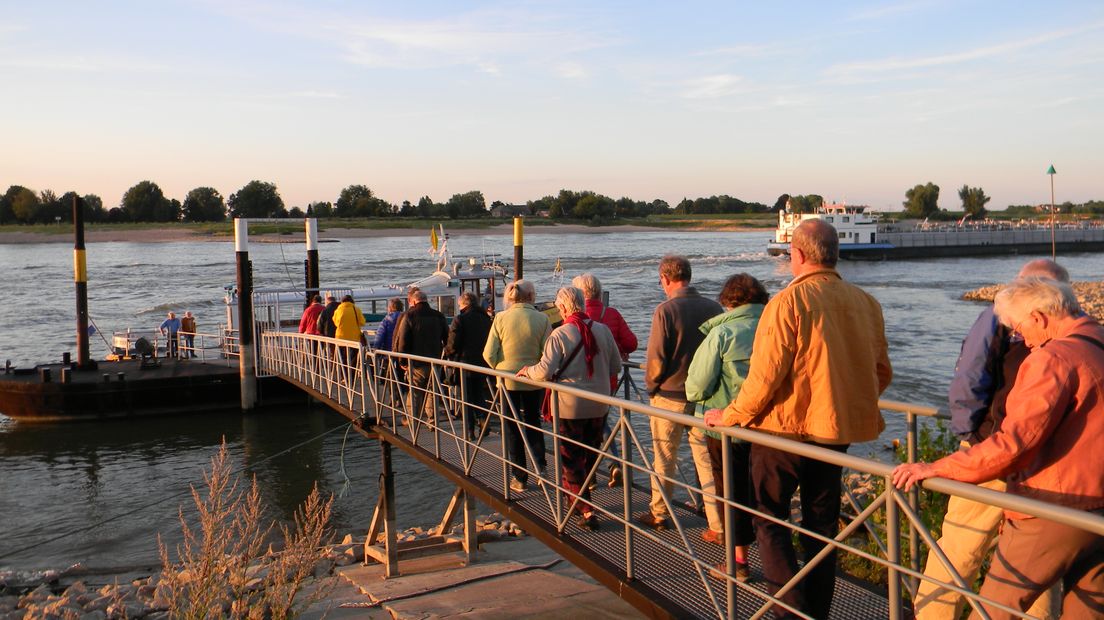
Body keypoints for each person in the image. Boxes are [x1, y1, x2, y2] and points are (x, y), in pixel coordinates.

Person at [705, 219, 892, 619]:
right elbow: (880, 372)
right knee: (821, 530)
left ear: (798, 255)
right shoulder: (866, 302)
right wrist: (844, 403)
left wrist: (730, 416)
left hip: (782, 434)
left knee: (769, 519)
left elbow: (764, 379)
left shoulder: (787, 303)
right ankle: (816, 611)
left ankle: (790, 612)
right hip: (835, 434)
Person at [893, 276, 1104, 620]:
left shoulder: (1053, 358)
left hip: (1056, 507)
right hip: (1098, 507)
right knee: (1088, 612)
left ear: (1038, 318)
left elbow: (1013, 445)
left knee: (994, 609)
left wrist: (937, 468)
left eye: (1019, 330)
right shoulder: (1097, 341)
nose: (1023, 341)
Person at [685, 273, 768, 582]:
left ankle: (738, 561)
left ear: (728, 301)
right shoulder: (776, 328)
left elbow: (696, 386)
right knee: (762, 490)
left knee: (730, 490)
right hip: (770, 426)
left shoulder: (722, 334)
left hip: (726, 424)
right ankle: (776, 557)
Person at [518, 286, 621, 530]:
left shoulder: (560, 334)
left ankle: (586, 510)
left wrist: (527, 371)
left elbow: (543, 371)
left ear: (563, 308)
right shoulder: (603, 330)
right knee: (589, 455)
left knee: (571, 459)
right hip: (599, 403)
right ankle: (575, 500)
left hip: (569, 406)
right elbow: (616, 364)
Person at [638, 255, 723, 531]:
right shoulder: (714, 308)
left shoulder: (666, 310)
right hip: (705, 398)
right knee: (706, 461)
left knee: (664, 457)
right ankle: (717, 523)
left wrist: (652, 387)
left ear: (665, 279)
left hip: (670, 396)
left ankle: (660, 513)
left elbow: (657, 358)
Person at [484, 279, 552, 493]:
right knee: (533, 423)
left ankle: (519, 477)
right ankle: (541, 469)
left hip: (506, 381)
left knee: (512, 428)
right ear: (532, 296)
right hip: (532, 379)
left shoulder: (500, 318)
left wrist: (501, 368)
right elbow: (548, 354)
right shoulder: (542, 318)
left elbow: (488, 353)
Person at [571, 273, 638, 487]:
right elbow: (632, 343)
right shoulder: (612, 314)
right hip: (607, 380)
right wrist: (619, 350)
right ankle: (612, 464)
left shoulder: (572, 317)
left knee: (586, 426)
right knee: (601, 420)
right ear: (599, 292)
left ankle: (594, 471)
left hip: (578, 381)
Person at [443, 291, 493, 439]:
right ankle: (483, 419)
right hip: (482, 363)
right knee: (478, 394)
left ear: (464, 304)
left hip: (464, 364)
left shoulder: (460, 319)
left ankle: (470, 431)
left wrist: (447, 352)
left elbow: (453, 343)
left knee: (465, 398)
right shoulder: (486, 319)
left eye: (459, 305)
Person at [395, 289, 448, 420]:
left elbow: (403, 340)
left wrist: (402, 361)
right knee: (432, 391)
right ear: (426, 300)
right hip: (435, 361)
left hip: (416, 362)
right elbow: (447, 338)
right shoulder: (439, 315)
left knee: (415, 391)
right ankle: (432, 418)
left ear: (413, 301)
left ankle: (412, 419)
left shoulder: (409, 316)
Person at [332, 295, 366, 379]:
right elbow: (362, 322)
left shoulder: (338, 310)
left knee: (342, 358)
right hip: (354, 338)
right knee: (353, 358)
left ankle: (344, 377)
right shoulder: (356, 309)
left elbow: (336, 322)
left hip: (340, 338)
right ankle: (352, 377)